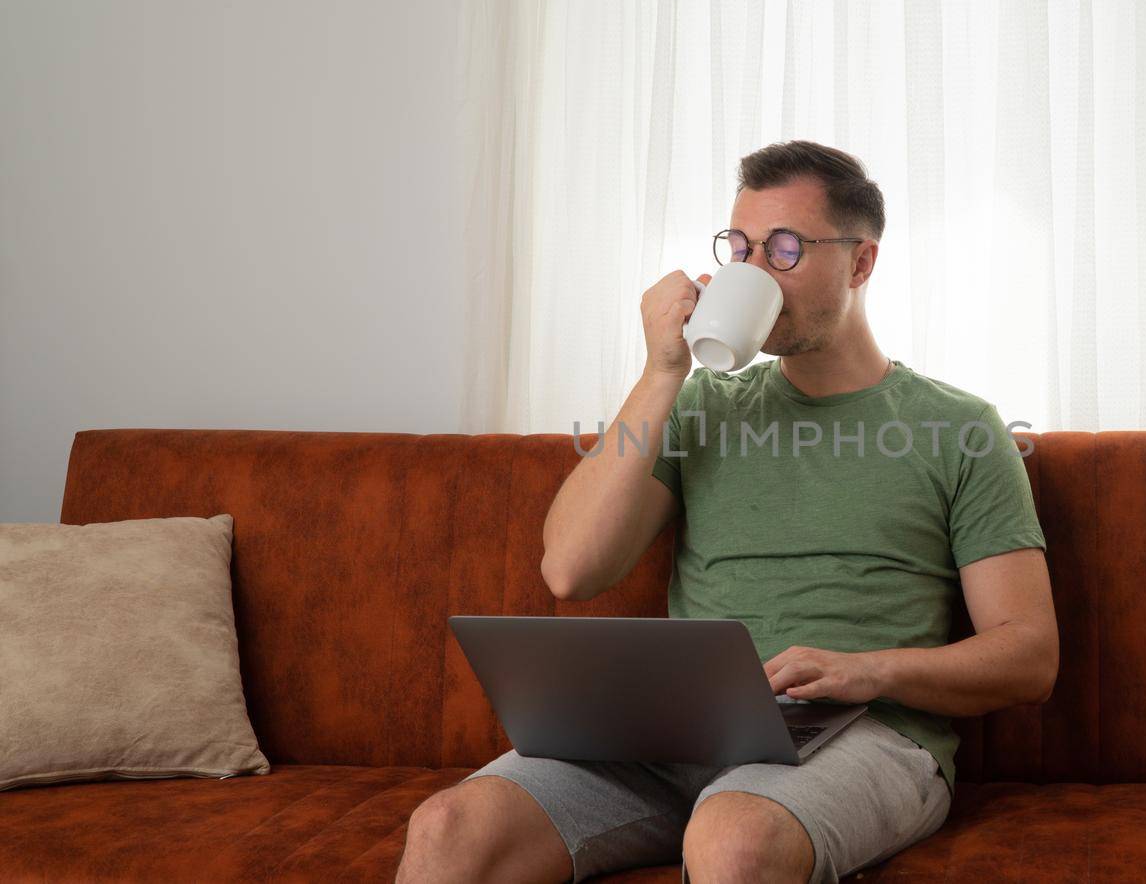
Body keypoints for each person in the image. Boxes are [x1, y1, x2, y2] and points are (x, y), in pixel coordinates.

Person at [396, 140, 1056, 884]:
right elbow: (571, 569)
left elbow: (1029, 655)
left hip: (860, 736)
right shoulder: (700, 406)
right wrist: (661, 372)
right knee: (448, 827)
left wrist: (865, 671)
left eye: (783, 249)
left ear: (861, 263)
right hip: (672, 734)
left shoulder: (960, 429)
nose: (751, 272)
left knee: (734, 840)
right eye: (738, 247)